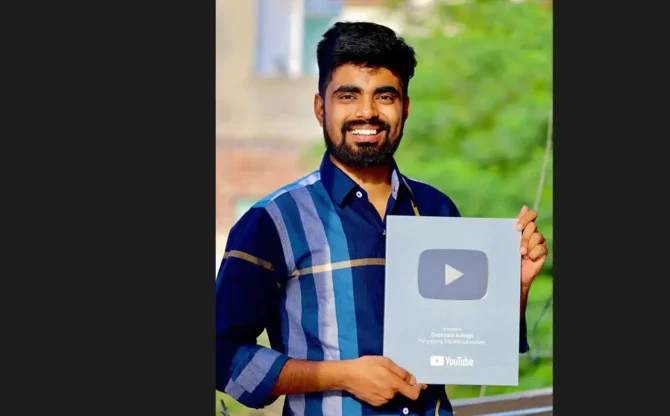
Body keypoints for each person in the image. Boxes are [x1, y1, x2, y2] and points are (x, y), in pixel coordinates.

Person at [215, 21, 548, 416]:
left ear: (405, 107)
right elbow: (223, 357)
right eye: (348, 95)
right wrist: (339, 376)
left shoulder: (437, 209)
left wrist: (517, 286)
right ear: (321, 107)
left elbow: (470, 346)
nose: (367, 112)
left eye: (384, 96)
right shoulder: (272, 221)